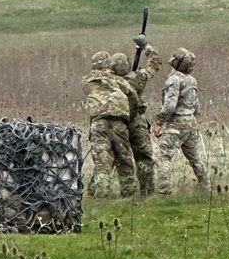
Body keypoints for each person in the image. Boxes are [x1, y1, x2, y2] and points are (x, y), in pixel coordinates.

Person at [81, 50, 137, 198]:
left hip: (98, 123)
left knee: (102, 163)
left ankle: (101, 196)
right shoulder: (118, 80)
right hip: (119, 123)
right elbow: (133, 97)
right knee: (124, 159)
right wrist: (130, 114)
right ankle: (129, 196)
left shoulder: (87, 79)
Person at [154, 47, 208, 195]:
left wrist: (159, 123)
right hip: (191, 122)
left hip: (177, 121)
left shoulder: (174, 80)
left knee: (163, 155)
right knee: (196, 158)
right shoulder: (192, 80)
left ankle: (164, 191)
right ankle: (206, 188)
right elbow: (197, 108)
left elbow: (169, 105)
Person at [110, 45, 162, 195]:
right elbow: (155, 63)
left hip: (118, 122)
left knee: (120, 158)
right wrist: (147, 48)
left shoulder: (110, 82)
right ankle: (148, 191)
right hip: (137, 121)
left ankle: (125, 192)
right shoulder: (137, 77)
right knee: (144, 157)